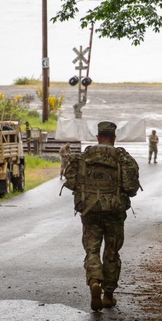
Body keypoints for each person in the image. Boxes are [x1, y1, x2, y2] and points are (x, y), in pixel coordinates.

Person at [63, 121, 140, 311]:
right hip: (114, 214)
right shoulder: (123, 158)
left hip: (90, 213)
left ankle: (94, 281)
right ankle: (108, 295)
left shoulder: (85, 156)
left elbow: (71, 183)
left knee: (92, 250)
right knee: (112, 252)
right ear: (114, 138)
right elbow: (131, 188)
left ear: (98, 137)